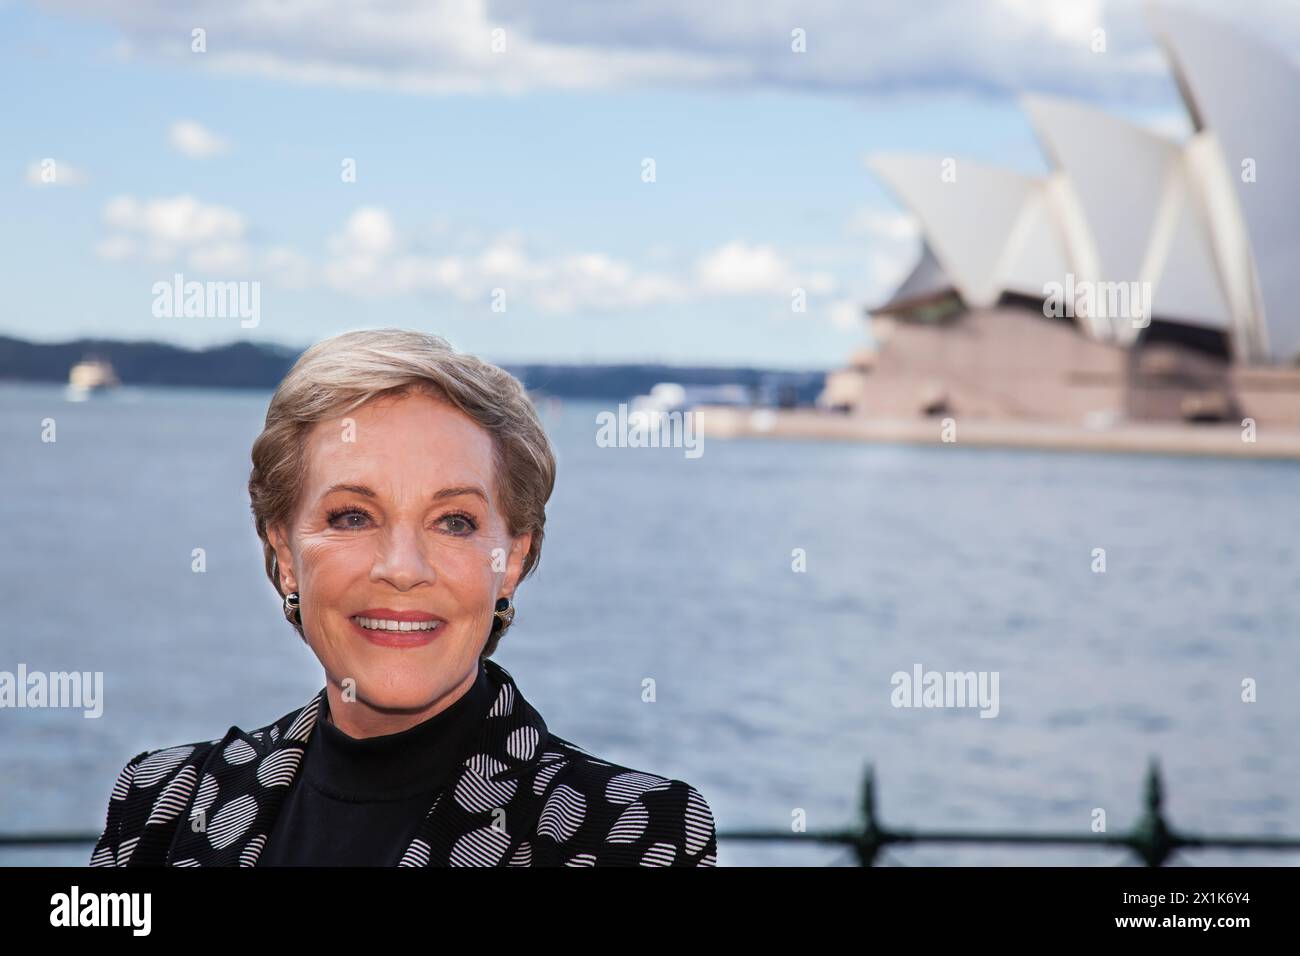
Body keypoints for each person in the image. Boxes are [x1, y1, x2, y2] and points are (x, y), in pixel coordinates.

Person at [89, 328, 717, 867]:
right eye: (353, 517)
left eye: (454, 522)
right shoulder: (160, 805)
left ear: (512, 562)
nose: (402, 569)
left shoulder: (631, 832)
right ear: (283, 552)